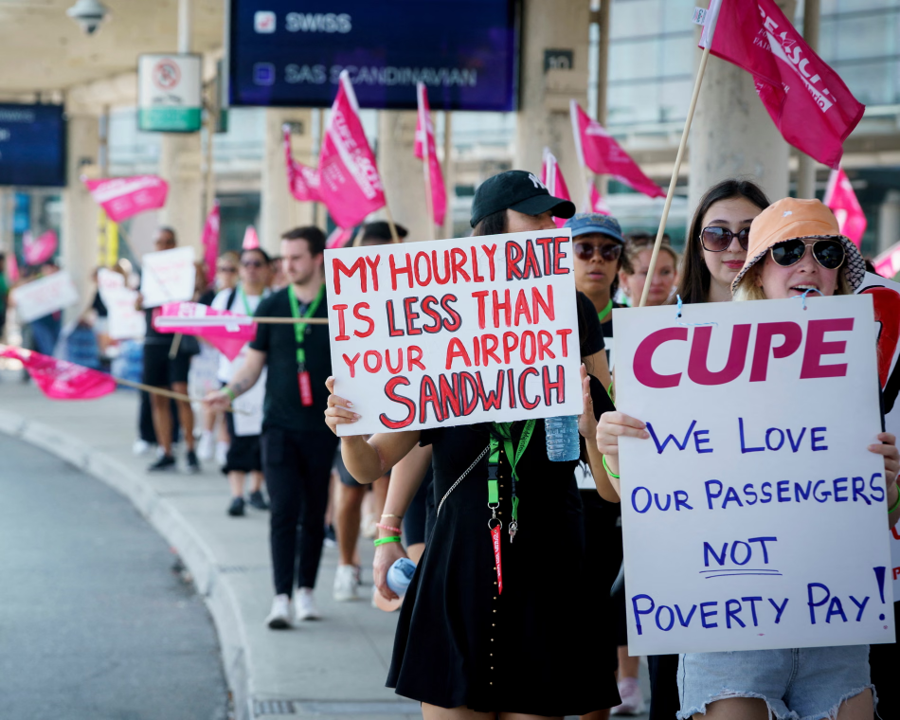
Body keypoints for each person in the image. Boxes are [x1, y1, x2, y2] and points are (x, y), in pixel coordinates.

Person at [326, 170, 621, 718]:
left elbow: (610, 472)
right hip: (458, 554)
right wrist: (347, 430)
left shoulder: (572, 308)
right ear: (492, 229)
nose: (546, 227)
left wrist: (590, 422)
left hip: (549, 552)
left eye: (549, 217)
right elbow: (370, 464)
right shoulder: (441, 317)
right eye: (532, 215)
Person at [597, 197, 900, 720]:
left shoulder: (855, 368)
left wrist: (889, 486)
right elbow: (652, 501)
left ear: (839, 273)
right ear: (759, 270)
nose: (809, 264)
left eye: (826, 251)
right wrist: (616, 450)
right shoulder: (692, 356)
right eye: (788, 251)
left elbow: (880, 516)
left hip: (834, 627)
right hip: (729, 631)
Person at [645, 178, 771, 720]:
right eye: (718, 235)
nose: (736, 247)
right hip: (695, 575)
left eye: (751, 234)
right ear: (697, 244)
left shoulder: (820, 329)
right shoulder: (656, 337)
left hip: (792, 566)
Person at [205, 226, 335, 628]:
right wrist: (229, 391)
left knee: (314, 513)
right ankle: (280, 597)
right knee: (282, 510)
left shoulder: (339, 304)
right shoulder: (274, 305)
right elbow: (253, 362)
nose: (288, 265)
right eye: (285, 258)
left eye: (296, 257)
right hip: (277, 426)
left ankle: (306, 592)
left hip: (323, 428)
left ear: (317, 258)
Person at [564, 212, 630, 717]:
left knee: (600, 636)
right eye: (584, 248)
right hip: (556, 495)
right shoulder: (538, 319)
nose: (597, 260)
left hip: (612, 494)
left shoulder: (640, 324)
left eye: (608, 251)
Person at [333, 220, 407, 602]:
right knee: (350, 489)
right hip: (357, 406)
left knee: (383, 480)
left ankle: (384, 549)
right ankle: (347, 564)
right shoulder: (346, 298)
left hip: (403, 404)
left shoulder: (414, 290)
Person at [210, 247, 272, 517]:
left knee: (262, 436)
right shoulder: (226, 298)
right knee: (236, 435)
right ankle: (236, 494)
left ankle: (256, 489)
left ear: (268, 268)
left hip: (265, 378)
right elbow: (208, 332)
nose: (251, 269)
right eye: (245, 264)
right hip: (233, 374)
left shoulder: (274, 299)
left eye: (257, 263)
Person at [139, 227, 201, 474]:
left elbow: (197, 293)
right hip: (153, 341)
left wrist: (196, 277)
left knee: (180, 393)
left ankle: (190, 448)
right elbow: (140, 301)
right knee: (157, 397)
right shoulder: (149, 270)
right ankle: (165, 450)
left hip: (177, 339)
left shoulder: (184, 270)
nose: (163, 247)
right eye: (159, 242)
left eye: (168, 242)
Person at [198, 251, 242, 464]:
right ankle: (207, 437)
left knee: (226, 404)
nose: (226, 274)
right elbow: (208, 331)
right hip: (216, 358)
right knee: (213, 398)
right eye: (222, 269)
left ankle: (224, 444)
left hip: (236, 360)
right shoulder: (221, 297)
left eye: (231, 269)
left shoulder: (241, 296)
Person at [618, 233, 678, 308]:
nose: (657, 281)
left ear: (675, 275)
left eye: (665, 272)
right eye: (646, 273)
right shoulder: (613, 317)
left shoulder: (690, 316)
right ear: (624, 279)